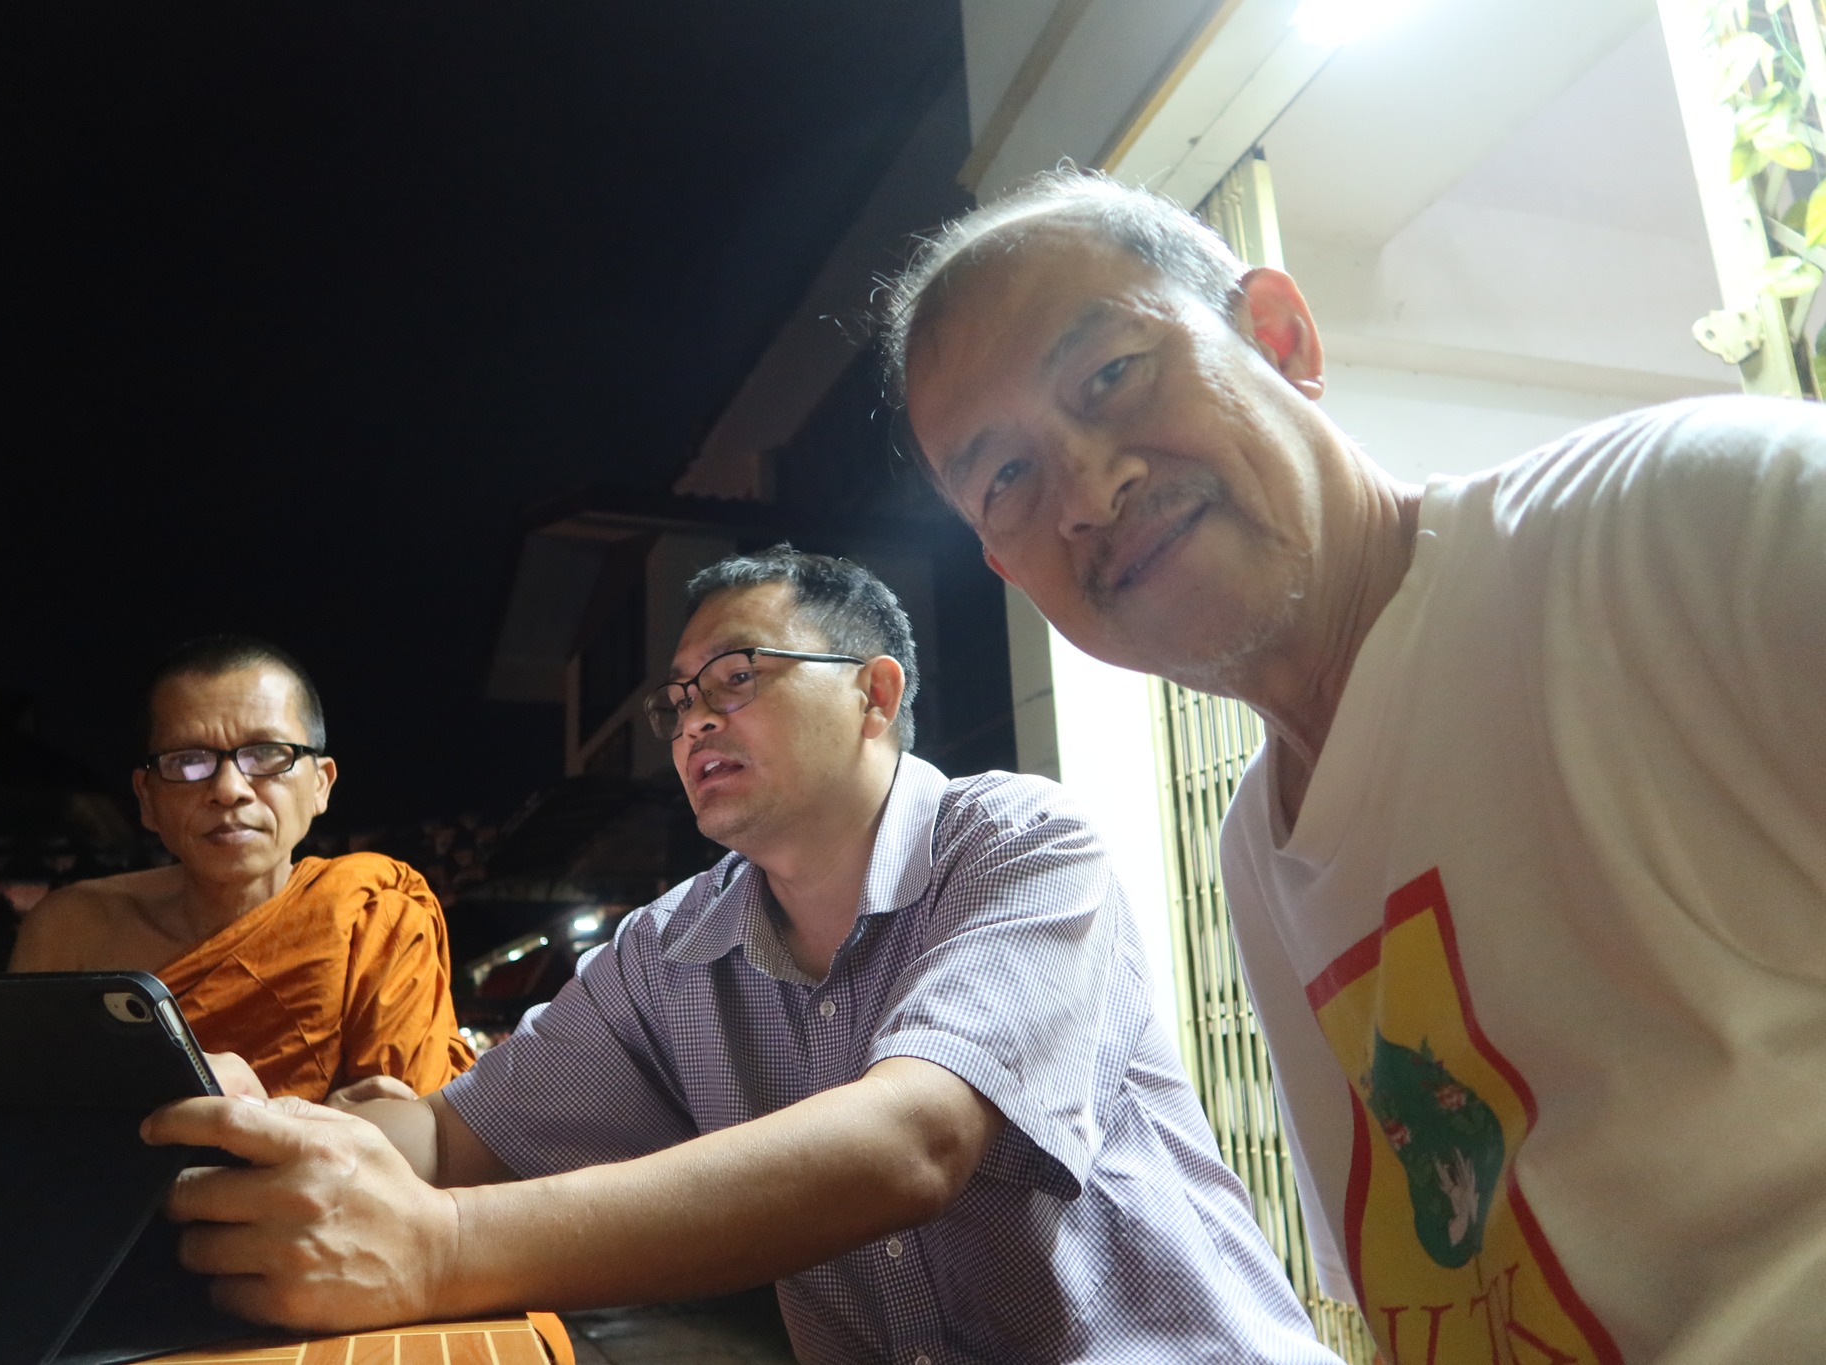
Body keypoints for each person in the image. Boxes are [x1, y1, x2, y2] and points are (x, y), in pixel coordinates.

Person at [885, 167, 1826, 1364]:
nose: (1086, 488)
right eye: (1004, 479)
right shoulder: (1257, 846)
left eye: (1111, 373)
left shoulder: (1688, 525)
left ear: (1277, 339)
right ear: (1004, 565)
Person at [141, 548, 1341, 1363]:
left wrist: (438, 1249)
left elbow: (913, 1141)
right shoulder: (670, 949)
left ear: (874, 694)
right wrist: (265, 1128)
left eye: (737, 676)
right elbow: (455, 1137)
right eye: (677, 701)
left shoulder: (1018, 844)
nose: (695, 719)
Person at [10, 635, 472, 1102]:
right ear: (147, 799)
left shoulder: (372, 917)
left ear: (321, 784)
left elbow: (412, 1130)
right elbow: (17, 1116)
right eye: (188, 762)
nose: (229, 789)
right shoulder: (71, 932)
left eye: (266, 754)